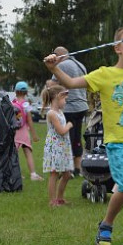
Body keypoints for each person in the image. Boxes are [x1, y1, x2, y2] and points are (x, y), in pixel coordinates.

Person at [45, 27, 123, 245]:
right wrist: (53, 68)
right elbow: (71, 83)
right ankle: (107, 223)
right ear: (117, 48)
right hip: (117, 142)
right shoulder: (104, 74)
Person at [51, 46, 88, 177]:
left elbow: (53, 85)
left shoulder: (62, 65)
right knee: (76, 137)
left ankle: (66, 169)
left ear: (58, 55)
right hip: (82, 106)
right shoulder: (81, 65)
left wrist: (47, 83)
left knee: (65, 138)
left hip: (69, 107)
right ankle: (77, 168)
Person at [42, 85, 73, 207]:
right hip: (55, 148)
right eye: (64, 99)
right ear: (57, 97)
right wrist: (69, 125)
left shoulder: (60, 112)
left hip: (63, 147)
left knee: (67, 174)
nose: (65, 102)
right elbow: (61, 130)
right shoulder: (52, 114)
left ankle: (60, 198)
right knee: (54, 173)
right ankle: (52, 200)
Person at [11, 81, 42, 182]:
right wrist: (34, 135)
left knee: (13, 155)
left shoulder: (12, 103)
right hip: (24, 132)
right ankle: (33, 174)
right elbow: (29, 120)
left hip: (14, 132)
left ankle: (15, 174)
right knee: (28, 153)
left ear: (16, 91)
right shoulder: (26, 104)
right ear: (25, 92)